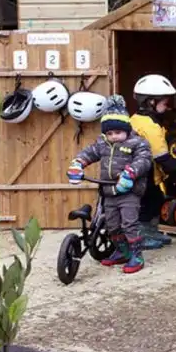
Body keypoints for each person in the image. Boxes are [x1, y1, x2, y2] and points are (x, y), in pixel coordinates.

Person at [67, 101, 153, 274]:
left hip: (129, 192)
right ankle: (122, 251)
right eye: (110, 133)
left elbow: (144, 161)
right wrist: (78, 164)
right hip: (108, 192)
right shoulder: (102, 143)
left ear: (127, 130)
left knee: (129, 223)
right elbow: (89, 153)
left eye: (118, 132)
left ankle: (137, 254)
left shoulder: (138, 143)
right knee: (112, 225)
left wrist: (130, 173)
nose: (114, 136)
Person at [130, 74, 176, 251]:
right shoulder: (149, 126)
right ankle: (142, 236)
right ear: (151, 102)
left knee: (156, 199)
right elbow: (161, 155)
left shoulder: (137, 119)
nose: (167, 108)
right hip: (145, 172)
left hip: (141, 170)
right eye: (164, 104)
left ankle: (151, 231)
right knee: (149, 202)